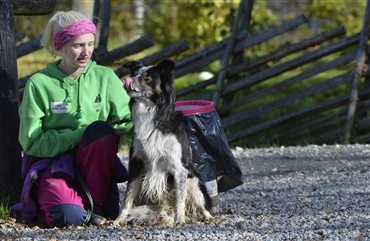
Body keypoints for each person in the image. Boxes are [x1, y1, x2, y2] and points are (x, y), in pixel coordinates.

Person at [12, 10, 133, 228]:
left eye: (90, 43)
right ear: (59, 46)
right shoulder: (39, 84)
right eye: (78, 45)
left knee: (100, 132)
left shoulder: (105, 77)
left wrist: (142, 98)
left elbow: (129, 122)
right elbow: (31, 142)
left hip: (96, 164)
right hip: (54, 164)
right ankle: (68, 204)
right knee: (67, 217)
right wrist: (78, 136)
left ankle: (96, 205)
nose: (86, 52)